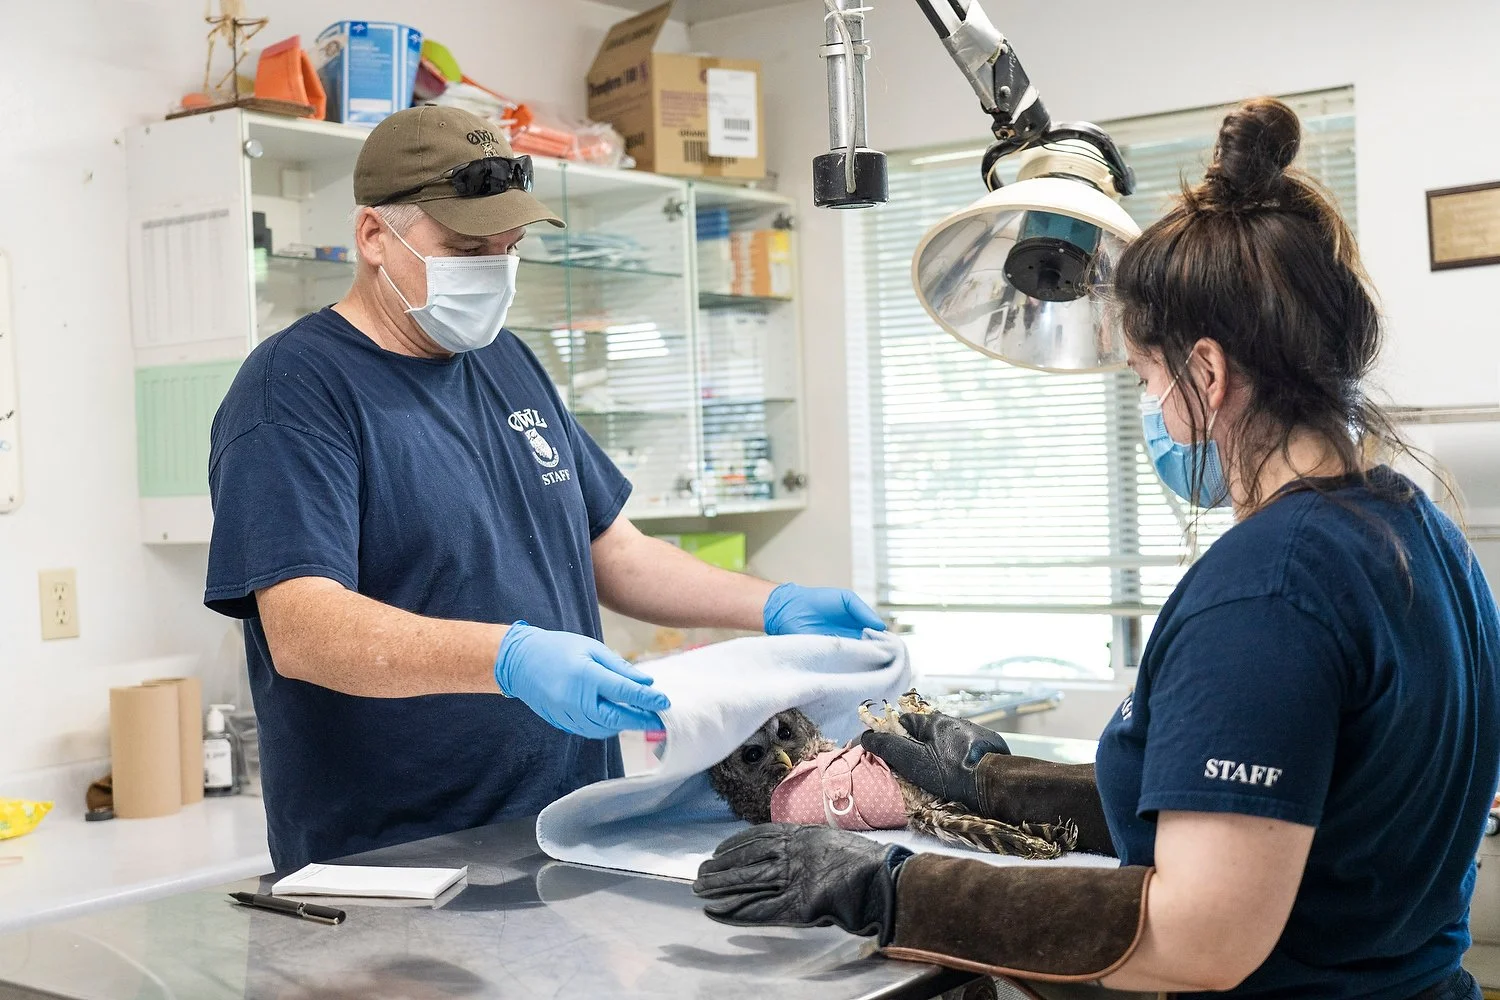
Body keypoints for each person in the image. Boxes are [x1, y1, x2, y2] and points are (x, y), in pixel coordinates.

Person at [692, 98, 1500, 1000]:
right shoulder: (1417, 532)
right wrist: (992, 786)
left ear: (1206, 373)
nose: (1150, 406)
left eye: (1147, 376)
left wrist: (890, 891)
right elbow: (1273, 818)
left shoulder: (1265, 594)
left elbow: (1198, 933)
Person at [204, 105, 884, 871]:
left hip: (566, 825)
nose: (493, 269)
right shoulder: (294, 390)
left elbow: (612, 551)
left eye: (509, 248)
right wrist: (509, 657)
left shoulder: (505, 360)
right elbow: (305, 630)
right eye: (467, 249)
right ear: (373, 236)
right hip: (398, 858)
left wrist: (771, 604)